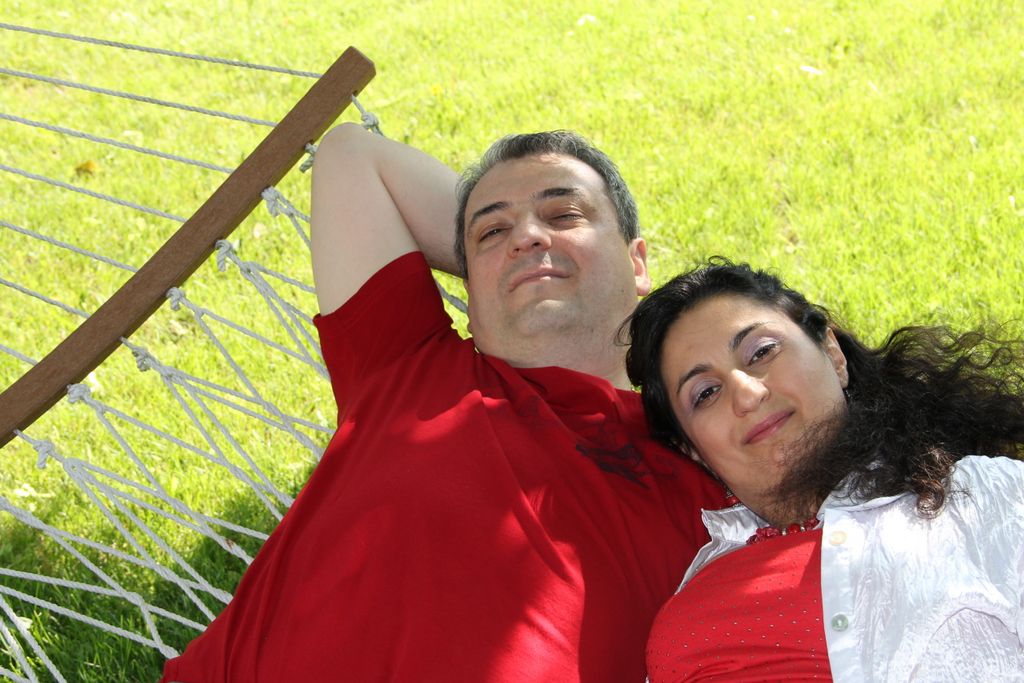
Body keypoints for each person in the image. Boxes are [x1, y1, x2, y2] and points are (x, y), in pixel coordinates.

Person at [159, 126, 720, 682]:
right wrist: (520, 258)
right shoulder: (407, 367)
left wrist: (507, 250)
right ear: (468, 293)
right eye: (492, 232)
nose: (527, 236)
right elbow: (352, 156)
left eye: (564, 214)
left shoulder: (712, 458)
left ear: (638, 264)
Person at [624, 258, 1024, 682]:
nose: (746, 394)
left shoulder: (987, 500)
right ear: (694, 451)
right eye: (705, 393)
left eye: (761, 352)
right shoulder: (688, 615)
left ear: (833, 353)